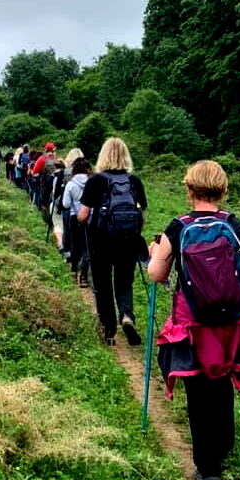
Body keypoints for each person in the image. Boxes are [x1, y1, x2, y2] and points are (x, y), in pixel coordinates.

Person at [147, 160, 240, 480]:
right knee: (223, 382)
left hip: (192, 324)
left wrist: (157, 251)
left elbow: (156, 275)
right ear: (223, 190)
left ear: (189, 189)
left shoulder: (178, 227)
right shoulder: (236, 227)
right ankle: (222, 449)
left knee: (198, 391)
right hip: (231, 322)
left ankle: (208, 469)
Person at [78, 137, 146, 347]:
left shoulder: (95, 181)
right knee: (124, 281)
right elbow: (141, 212)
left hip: (100, 242)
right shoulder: (134, 181)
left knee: (102, 283)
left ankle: (108, 328)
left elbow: (82, 215)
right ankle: (126, 315)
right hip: (128, 241)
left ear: (103, 156)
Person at [63, 156, 92, 287]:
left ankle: (74, 271)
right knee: (87, 248)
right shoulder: (93, 183)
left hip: (75, 218)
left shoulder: (70, 184)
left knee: (75, 246)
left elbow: (66, 204)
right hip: (90, 219)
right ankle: (84, 277)